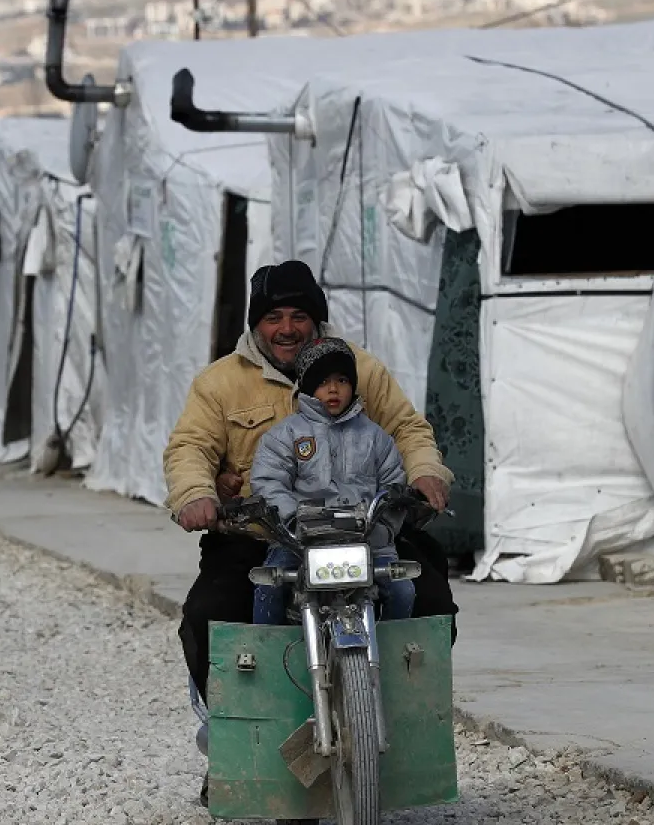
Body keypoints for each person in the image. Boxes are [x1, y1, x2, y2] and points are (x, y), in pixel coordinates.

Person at [164, 259, 457, 708]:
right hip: (263, 536)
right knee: (210, 613)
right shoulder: (219, 383)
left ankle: (411, 720)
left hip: (361, 530)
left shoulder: (360, 368)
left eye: (298, 316)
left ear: (315, 319)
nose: (286, 328)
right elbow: (190, 447)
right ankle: (231, 741)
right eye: (273, 317)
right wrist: (196, 493)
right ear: (256, 324)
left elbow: (406, 429)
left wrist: (425, 473)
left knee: (430, 599)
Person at [249, 337, 416, 625]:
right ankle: (270, 661)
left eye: (342, 380)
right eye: (323, 381)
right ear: (308, 387)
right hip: (299, 544)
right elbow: (269, 482)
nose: (334, 389)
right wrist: (293, 522)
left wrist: (383, 522)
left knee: (403, 591)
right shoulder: (285, 435)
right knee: (268, 589)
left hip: (367, 542)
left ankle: (391, 661)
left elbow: (392, 485)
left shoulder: (375, 437)